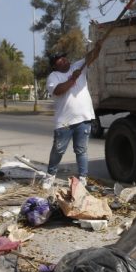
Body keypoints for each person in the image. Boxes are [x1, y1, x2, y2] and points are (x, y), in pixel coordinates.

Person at [43, 42, 103, 190]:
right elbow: (58, 91)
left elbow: (91, 56)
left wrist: (98, 46)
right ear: (54, 65)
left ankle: (83, 178)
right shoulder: (54, 76)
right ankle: (50, 176)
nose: (63, 60)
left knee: (81, 150)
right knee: (58, 150)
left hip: (83, 118)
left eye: (64, 57)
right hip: (65, 122)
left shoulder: (78, 66)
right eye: (59, 59)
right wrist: (72, 79)